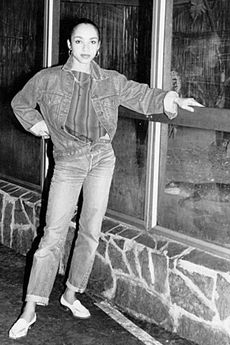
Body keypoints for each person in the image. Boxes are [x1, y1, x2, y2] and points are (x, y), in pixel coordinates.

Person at [8, 18, 203, 339]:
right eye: (80, 41)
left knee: (90, 231)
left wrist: (174, 100)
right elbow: (20, 103)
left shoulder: (110, 80)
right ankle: (30, 308)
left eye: (93, 42)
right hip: (69, 160)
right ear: (69, 45)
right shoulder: (47, 79)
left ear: (99, 46)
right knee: (53, 234)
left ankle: (71, 293)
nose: (86, 48)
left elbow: (142, 94)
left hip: (101, 158)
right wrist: (35, 124)